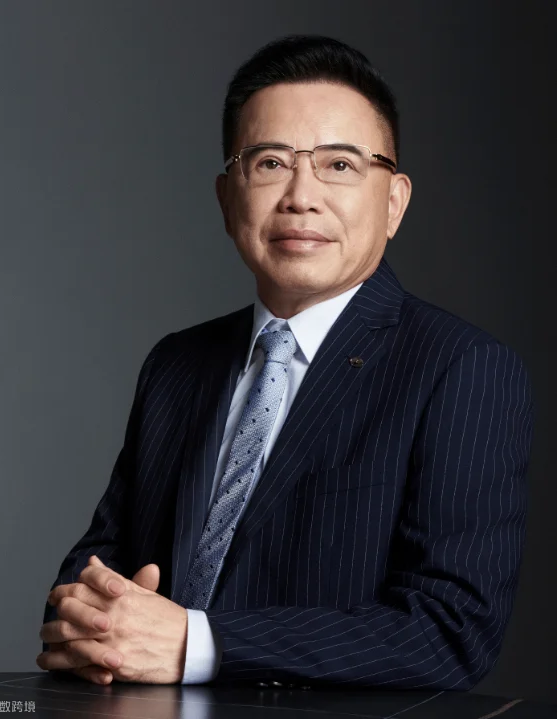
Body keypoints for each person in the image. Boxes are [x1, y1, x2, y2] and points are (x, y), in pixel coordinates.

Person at [37, 34, 534, 690]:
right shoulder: (176, 364)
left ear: (393, 202)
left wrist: (197, 643)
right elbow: (91, 576)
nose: (301, 196)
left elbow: (450, 632)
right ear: (226, 198)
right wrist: (88, 619)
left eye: (339, 165)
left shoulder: (461, 368)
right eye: (270, 162)